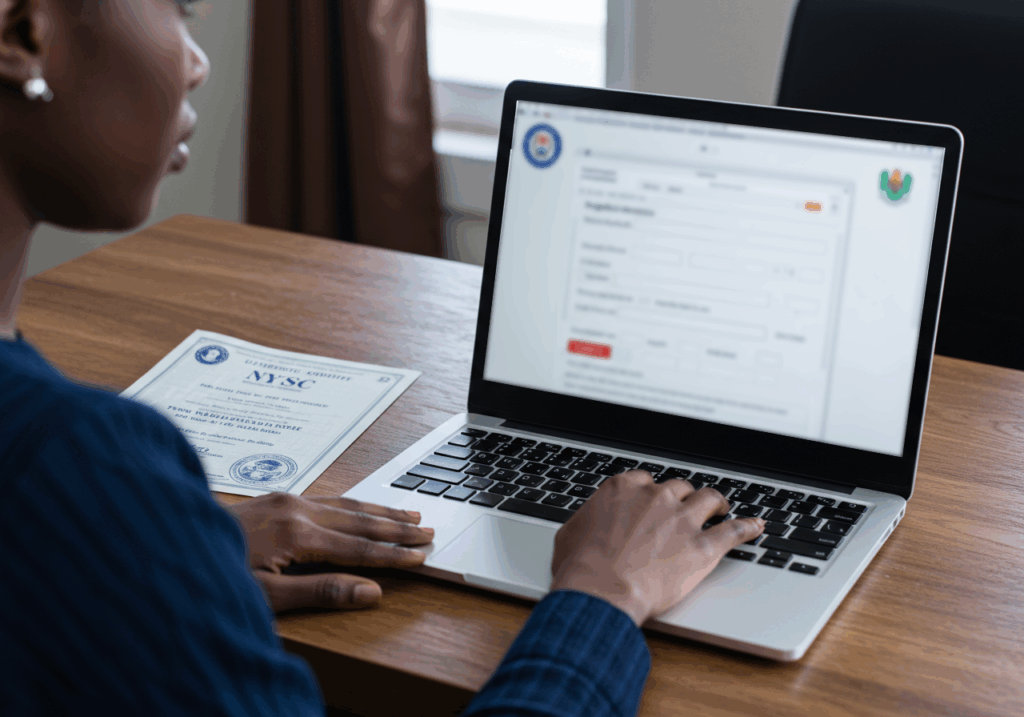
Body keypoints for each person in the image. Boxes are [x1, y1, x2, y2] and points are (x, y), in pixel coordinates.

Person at [0, 1, 766, 715]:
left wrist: (174, 563)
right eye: (179, 7)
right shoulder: (78, 460)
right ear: (20, 33)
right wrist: (603, 595)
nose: (197, 63)